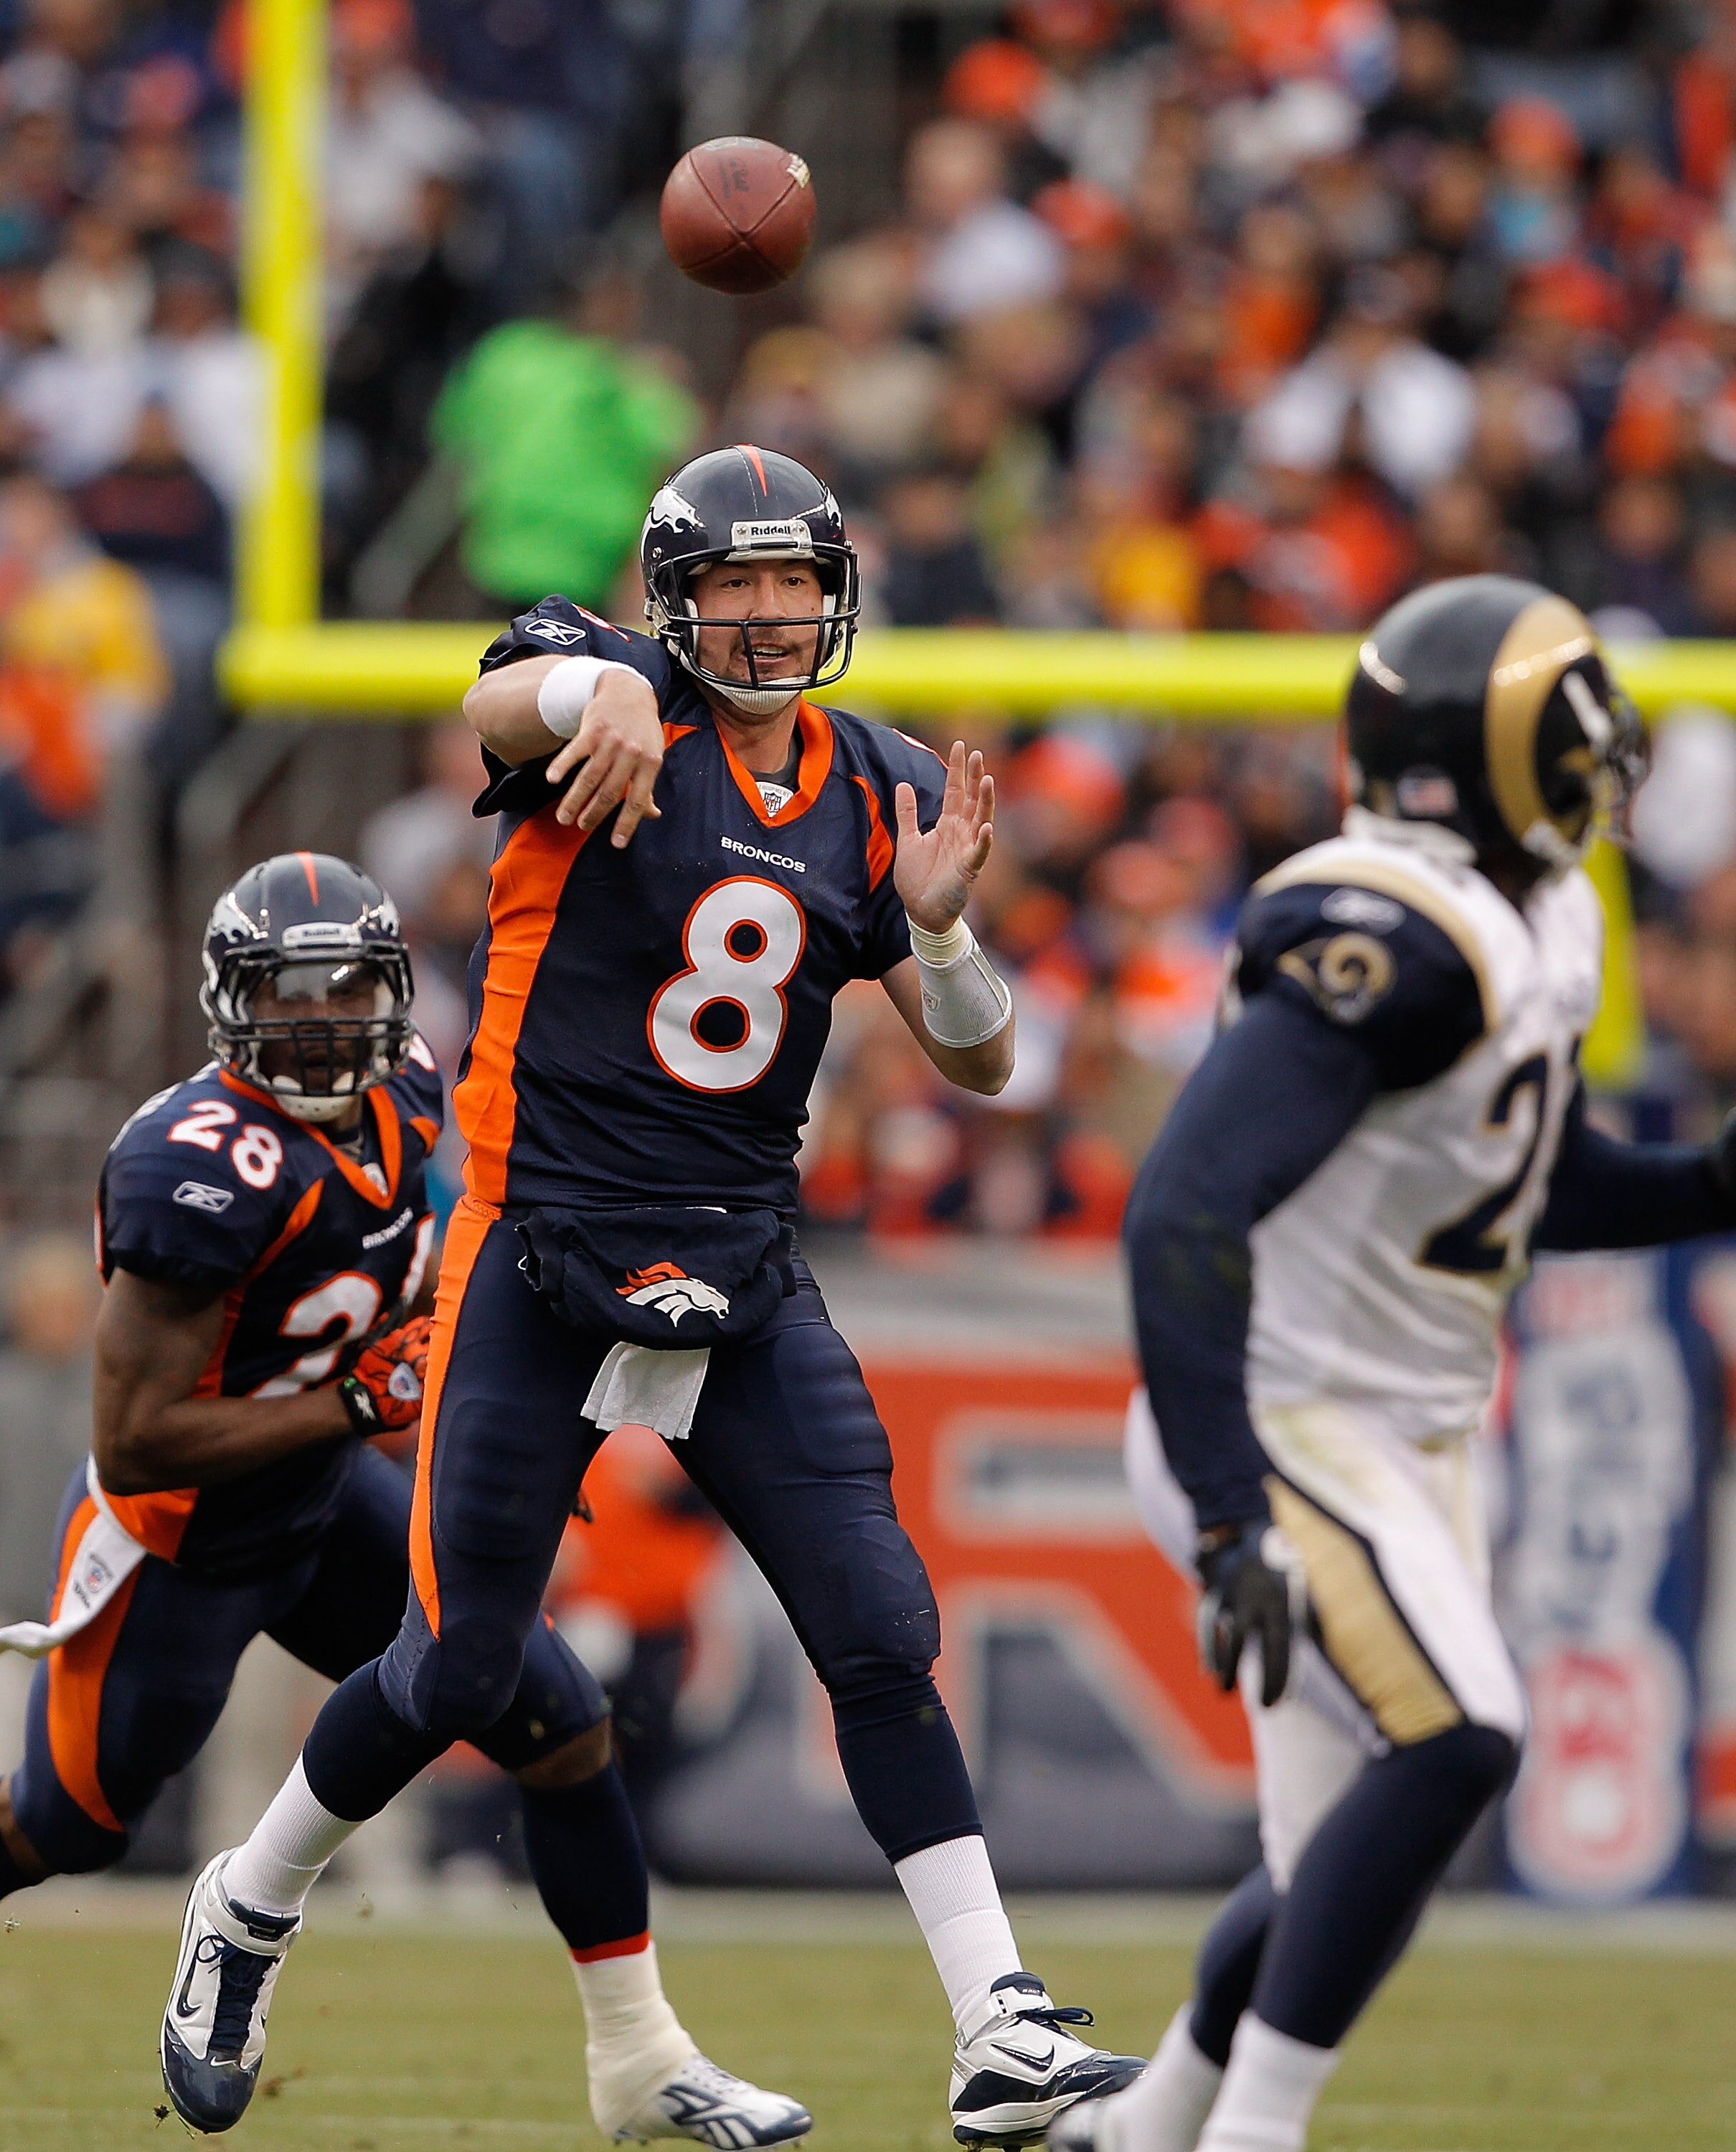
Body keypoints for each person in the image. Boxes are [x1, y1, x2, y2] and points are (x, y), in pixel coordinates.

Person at [171, 447, 1143, 2143]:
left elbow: (980, 1064)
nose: (767, 615)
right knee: (466, 1666)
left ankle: (999, 2026)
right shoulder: (600, 698)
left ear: (834, 591)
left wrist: (935, 936)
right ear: (673, 597)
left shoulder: (881, 785)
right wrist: (590, 686)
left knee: (879, 1627)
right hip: (539, 1242)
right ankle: (245, 1906)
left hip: (743, 1253)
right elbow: (505, 697)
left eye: (792, 581)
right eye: (732, 584)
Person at [1056, 574, 1736, 2152]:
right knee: (1460, 1738)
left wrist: (1706, 1185)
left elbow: (1518, 1184)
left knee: (1326, 1866)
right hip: (1282, 1419)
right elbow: (1182, 1207)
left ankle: (1145, 2128)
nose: (1606, 775)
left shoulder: (1538, 918)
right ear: (1490, 762)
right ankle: (1253, 2134)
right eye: (1580, 744)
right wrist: (1230, 1512)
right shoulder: (1392, 934)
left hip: (1405, 1425)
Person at [0, 850, 804, 2148]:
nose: (322, 1026)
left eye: (346, 993)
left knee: (561, 1721)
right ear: (230, 1006)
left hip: (322, 1504)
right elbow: (139, 1442)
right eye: (288, 998)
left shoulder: (418, 1093)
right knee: (64, 1826)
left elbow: (448, 1282)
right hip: (179, 1546)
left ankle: (644, 2055)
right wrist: (361, 1409)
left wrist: (504, 1438)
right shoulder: (196, 1165)